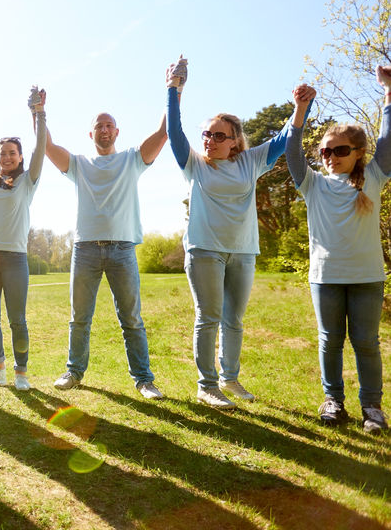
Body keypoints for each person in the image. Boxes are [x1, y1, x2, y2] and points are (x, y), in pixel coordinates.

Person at [166, 57, 313, 409]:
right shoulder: (195, 164)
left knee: (234, 320)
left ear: (235, 142)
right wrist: (174, 89)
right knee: (209, 317)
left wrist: (301, 107)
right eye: (207, 134)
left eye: (219, 136)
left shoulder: (250, 161)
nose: (210, 140)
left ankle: (230, 378)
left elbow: (284, 139)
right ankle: (207, 385)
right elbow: (174, 132)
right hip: (205, 251)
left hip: (243, 251)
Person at [284, 66, 390, 434]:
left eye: (339, 150)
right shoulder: (314, 185)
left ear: (358, 153)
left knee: (365, 343)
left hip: (366, 277)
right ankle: (334, 401)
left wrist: (388, 92)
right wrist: (301, 110)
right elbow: (293, 152)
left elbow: (388, 140)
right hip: (326, 278)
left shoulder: (373, 177)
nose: (330, 156)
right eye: (326, 151)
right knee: (330, 342)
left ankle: (372, 409)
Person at [45, 103, 169, 399]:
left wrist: (174, 90)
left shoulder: (131, 159)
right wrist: (39, 111)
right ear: (91, 133)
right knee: (79, 317)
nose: (104, 129)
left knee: (131, 319)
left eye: (108, 125)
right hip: (85, 249)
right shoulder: (79, 164)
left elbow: (164, 133)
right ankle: (74, 372)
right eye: (98, 126)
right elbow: (47, 146)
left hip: (122, 249)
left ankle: (144, 380)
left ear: (116, 132)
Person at [0, 88, 47, 391]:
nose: (6, 157)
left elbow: (40, 147)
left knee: (17, 319)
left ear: (19, 157)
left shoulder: (28, 181)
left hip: (15, 259)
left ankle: (21, 371)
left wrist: (39, 113)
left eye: (12, 153)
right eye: (2, 153)